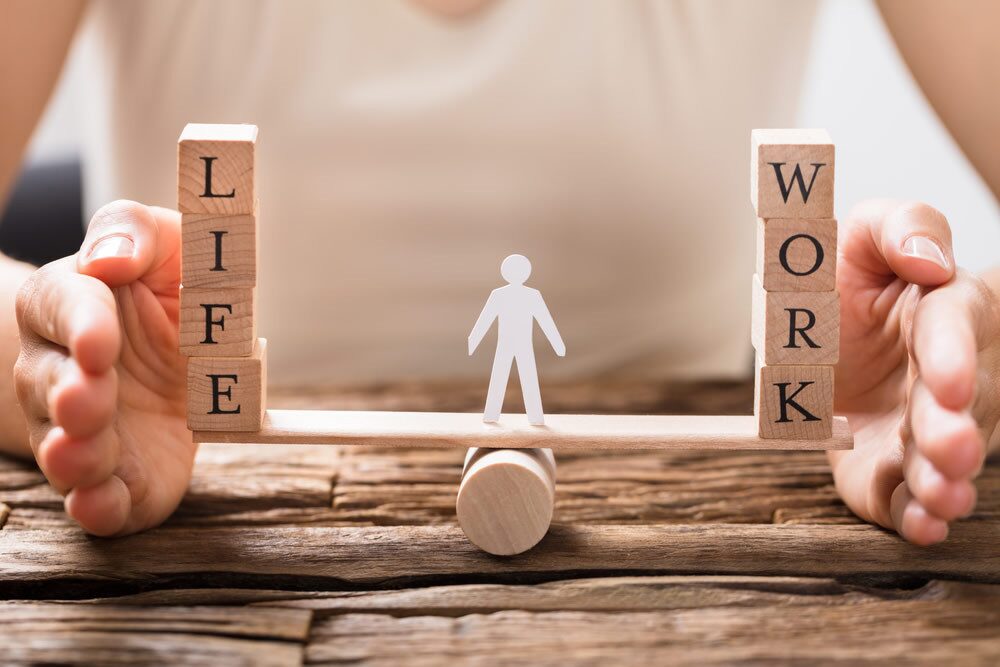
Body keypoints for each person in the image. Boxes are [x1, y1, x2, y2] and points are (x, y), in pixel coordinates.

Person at [1, 0, 998, 544]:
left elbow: (512, 336)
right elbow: (509, 334)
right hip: (222, 492)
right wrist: (37, 354)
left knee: (511, 388)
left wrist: (963, 344)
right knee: (510, 386)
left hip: (694, 500)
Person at [468, 254, 565, 425]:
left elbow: (545, 320)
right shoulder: (519, 295)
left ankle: (502, 416)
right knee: (517, 377)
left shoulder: (515, 295)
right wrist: (473, 340)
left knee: (511, 377)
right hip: (512, 344)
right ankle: (498, 416)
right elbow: (485, 319)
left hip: (517, 345)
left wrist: (473, 341)